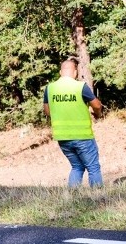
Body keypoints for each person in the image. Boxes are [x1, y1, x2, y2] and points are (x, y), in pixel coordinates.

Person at [43, 58, 104, 187]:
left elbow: (47, 111)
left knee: (77, 167)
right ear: (75, 72)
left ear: (60, 72)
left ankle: (73, 197)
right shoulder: (80, 87)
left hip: (62, 137)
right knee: (93, 167)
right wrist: (97, 115)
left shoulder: (50, 88)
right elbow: (97, 105)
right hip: (82, 136)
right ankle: (99, 197)